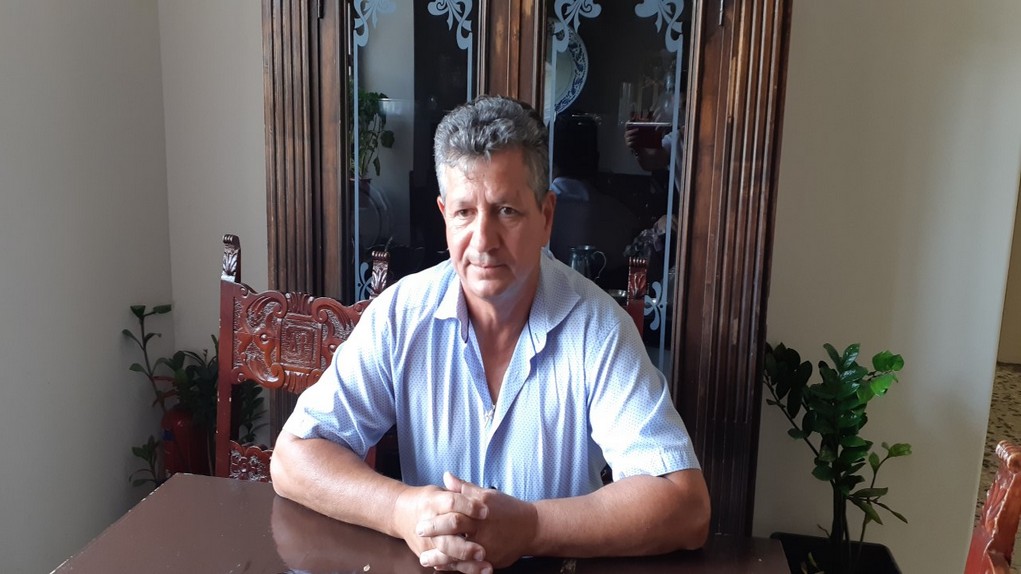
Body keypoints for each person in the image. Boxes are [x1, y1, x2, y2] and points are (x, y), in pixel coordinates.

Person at [271, 95, 710, 574]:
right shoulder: (401, 314)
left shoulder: (599, 329)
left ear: (546, 217)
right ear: (444, 215)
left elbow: (685, 505)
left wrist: (532, 527)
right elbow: (292, 458)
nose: (482, 242)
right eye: (464, 212)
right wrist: (399, 510)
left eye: (506, 211)